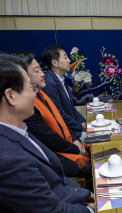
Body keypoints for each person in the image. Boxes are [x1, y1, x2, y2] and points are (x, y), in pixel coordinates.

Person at [0, 54, 96, 213]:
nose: (35, 93)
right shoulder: (3, 158)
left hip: (64, 208)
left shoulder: (14, 129)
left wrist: (84, 195)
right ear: (11, 96)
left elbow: (55, 176)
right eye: (30, 87)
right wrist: (90, 211)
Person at [16, 51, 93, 191]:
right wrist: (75, 147)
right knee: (92, 166)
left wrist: (75, 138)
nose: (42, 73)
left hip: (64, 143)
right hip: (54, 155)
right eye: (37, 70)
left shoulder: (42, 94)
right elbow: (49, 138)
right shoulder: (29, 105)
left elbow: (60, 121)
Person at [42, 45, 86, 140]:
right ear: (55, 63)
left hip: (74, 130)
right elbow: (58, 114)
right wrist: (79, 127)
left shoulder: (60, 78)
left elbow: (71, 108)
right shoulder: (49, 83)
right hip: (66, 135)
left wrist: (83, 123)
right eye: (65, 57)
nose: (69, 60)